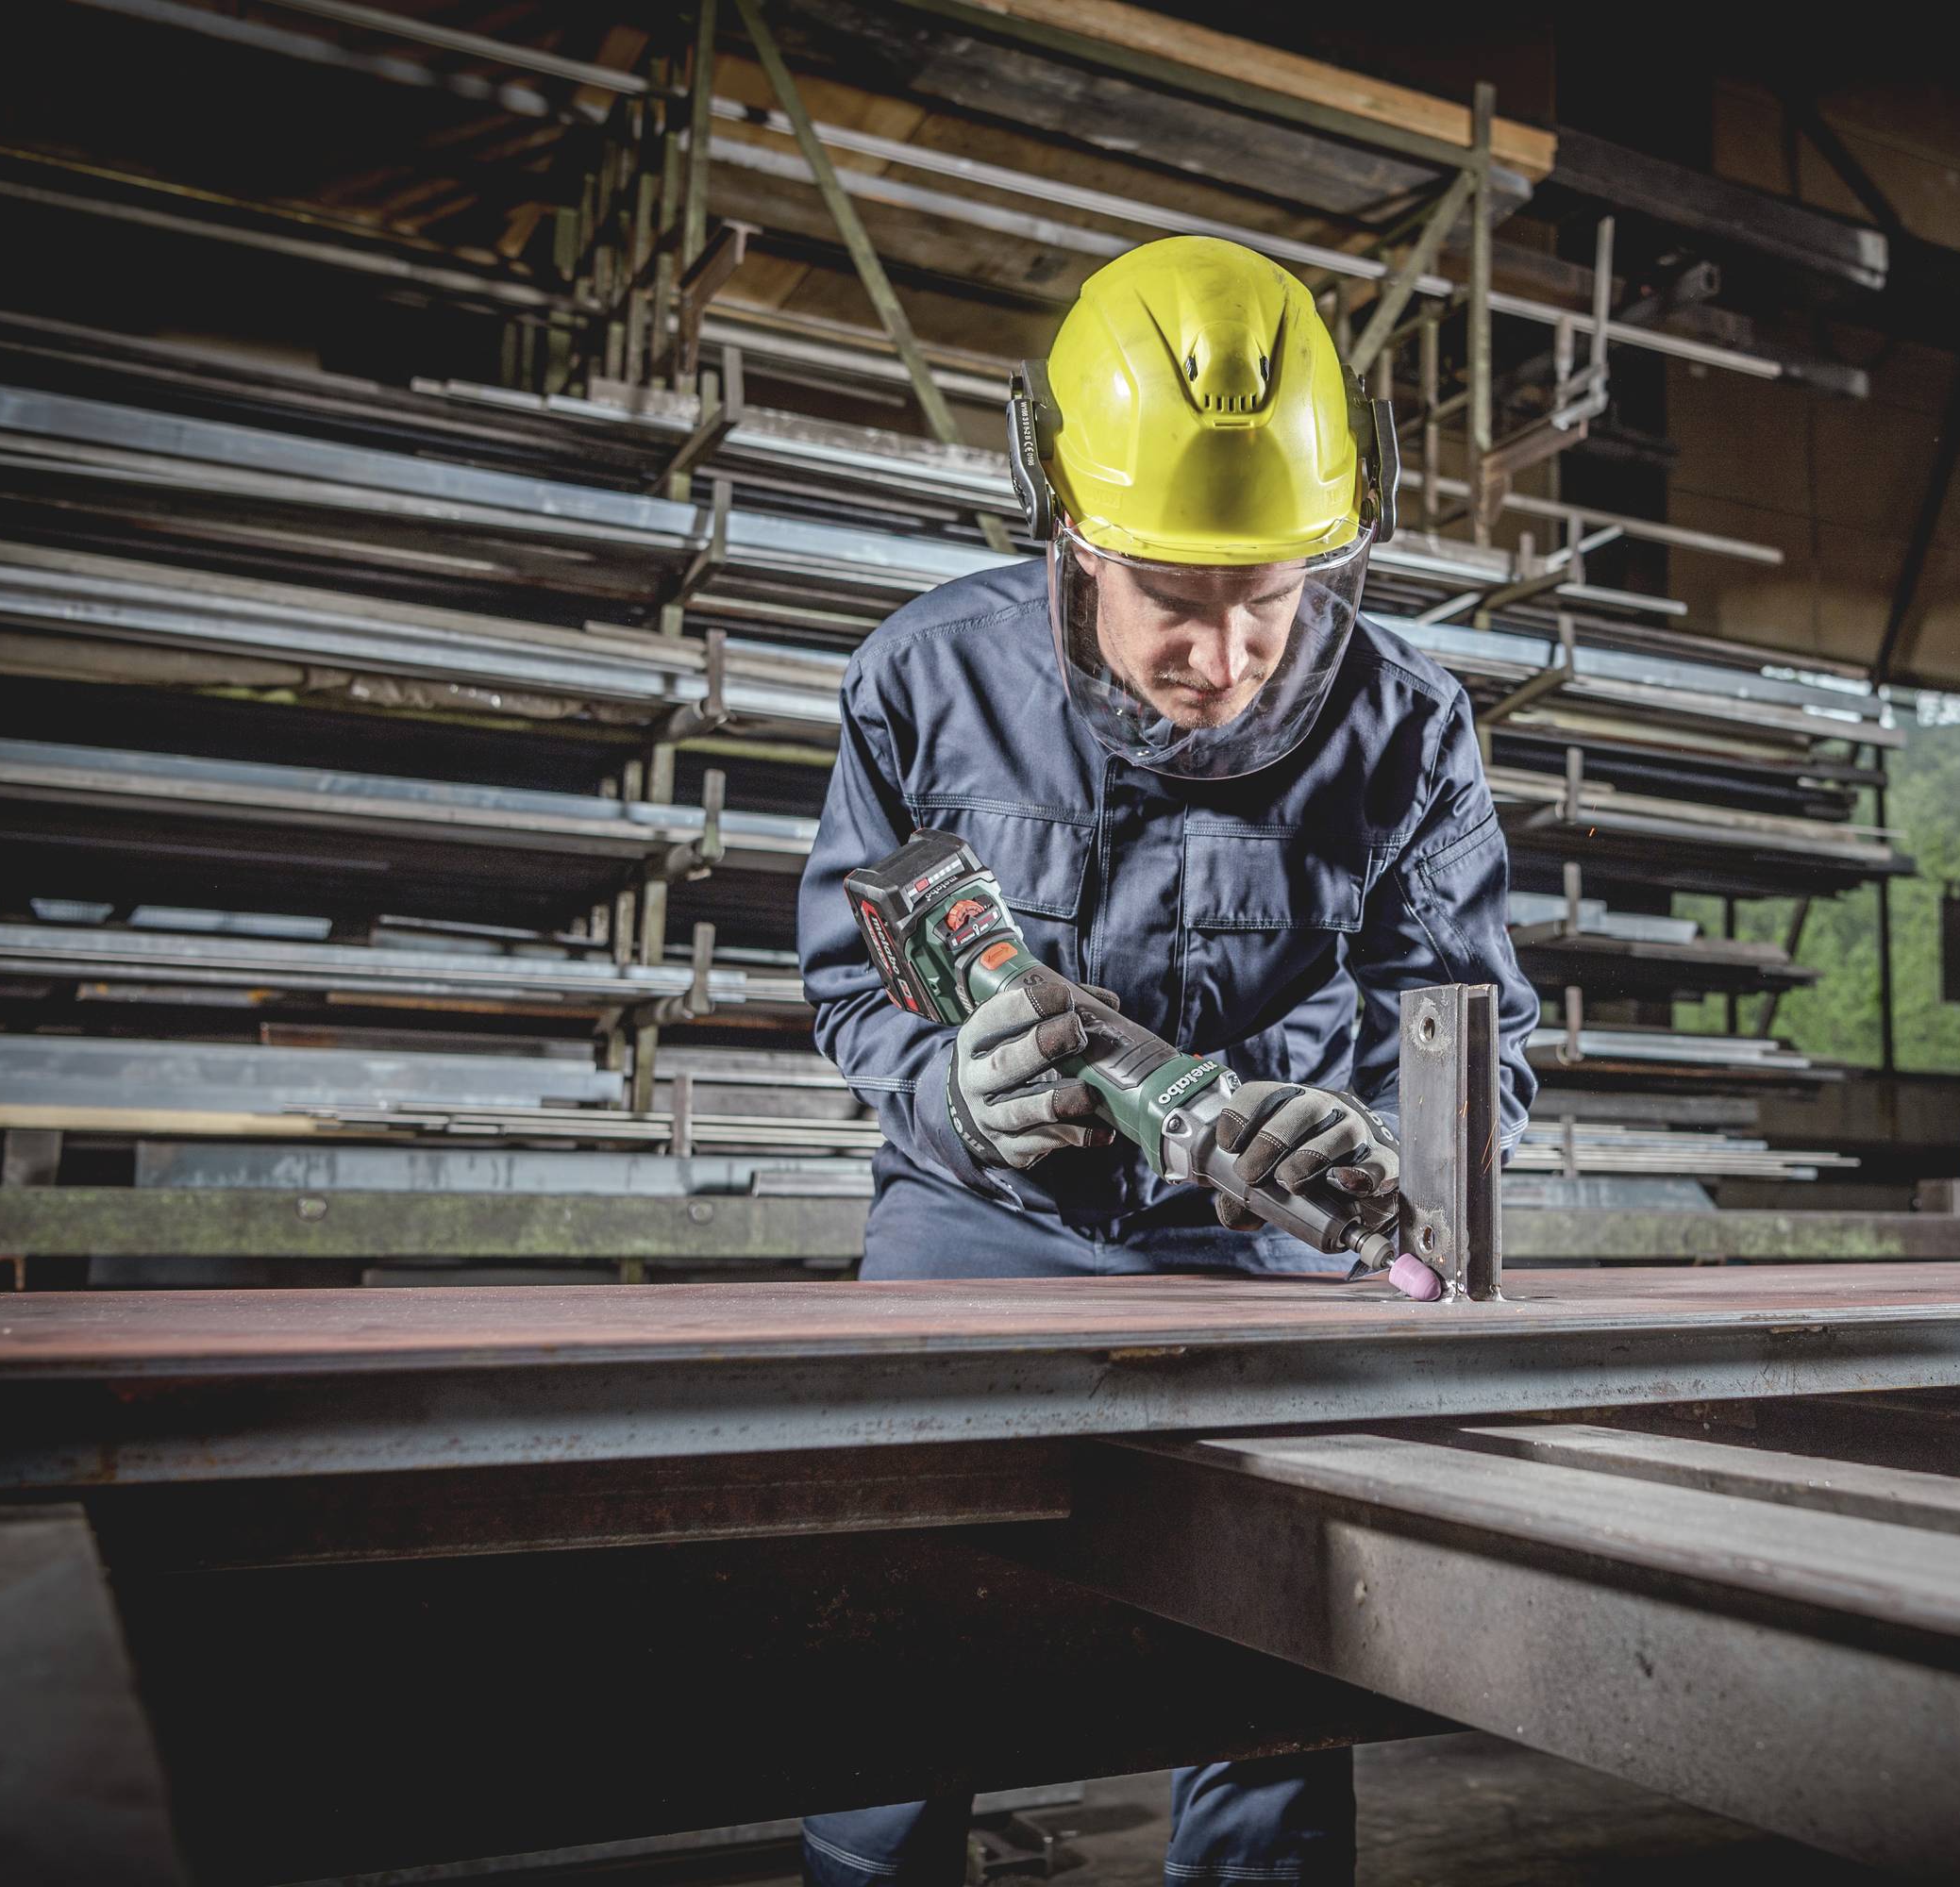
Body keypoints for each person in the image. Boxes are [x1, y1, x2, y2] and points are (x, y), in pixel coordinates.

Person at [794, 233, 1536, 1886]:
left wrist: (1389, 1140)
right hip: (974, 1229)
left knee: (1269, 1691)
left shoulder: (1408, 728)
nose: (1223, 658)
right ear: (1064, 521)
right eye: (1171, 604)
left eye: (1269, 600)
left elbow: (1476, 1036)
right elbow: (855, 993)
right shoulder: (923, 682)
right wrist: (950, 1097)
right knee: (896, 1676)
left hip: (1266, 1244)